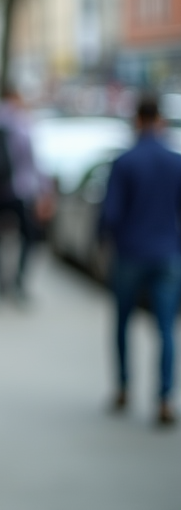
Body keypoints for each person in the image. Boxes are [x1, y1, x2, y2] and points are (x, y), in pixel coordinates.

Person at [100, 95, 181, 426]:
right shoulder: (176, 162)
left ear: (136, 121)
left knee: (122, 322)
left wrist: (104, 240)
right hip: (167, 254)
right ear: (159, 121)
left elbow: (111, 214)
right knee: (165, 328)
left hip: (130, 253)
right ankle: (163, 399)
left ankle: (123, 387)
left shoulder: (125, 162)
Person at [0, 86, 48, 302]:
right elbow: (35, 162)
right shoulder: (23, 124)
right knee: (28, 237)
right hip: (20, 192)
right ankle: (17, 283)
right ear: (15, 98)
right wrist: (44, 190)